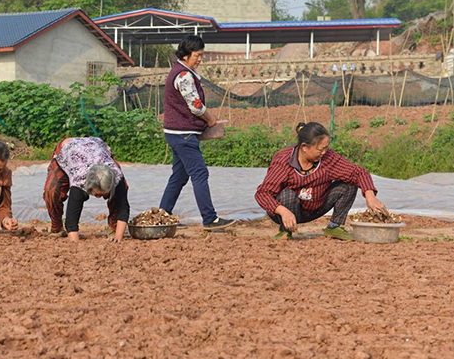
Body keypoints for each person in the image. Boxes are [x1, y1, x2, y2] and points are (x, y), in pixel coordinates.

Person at [255, 122, 387, 240]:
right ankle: (285, 231)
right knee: (287, 194)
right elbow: (263, 193)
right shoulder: (284, 161)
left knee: (349, 184)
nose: (324, 152)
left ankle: (334, 227)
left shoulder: (327, 159)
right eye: (320, 149)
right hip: (288, 212)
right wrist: (283, 211)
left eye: (326, 148)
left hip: (316, 207)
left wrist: (370, 196)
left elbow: (357, 173)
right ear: (305, 147)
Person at [159, 35, 235, 230]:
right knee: (199, 173)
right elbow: (196, 106)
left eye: (201, 55)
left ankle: (163, 215)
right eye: (197, 55)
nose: (200, 59)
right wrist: (210, 120)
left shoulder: (181, 71)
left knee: (179, 176)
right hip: (183, 135)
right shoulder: (184, 76)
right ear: (185, 55)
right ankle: (210, 219)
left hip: (176, 133)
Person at [43, 137, 130, 242]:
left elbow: (123, 208)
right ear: (88, 186)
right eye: (97, 194)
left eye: (103, 194)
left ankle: (113, 227)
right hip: (68, 150)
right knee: (52, 191)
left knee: (119, 193)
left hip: (96, 147)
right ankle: (56, 227)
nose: (99, 197)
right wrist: (75, 243)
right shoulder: (79, 182)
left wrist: (118, 238)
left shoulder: (116, 176)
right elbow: (71, 220)